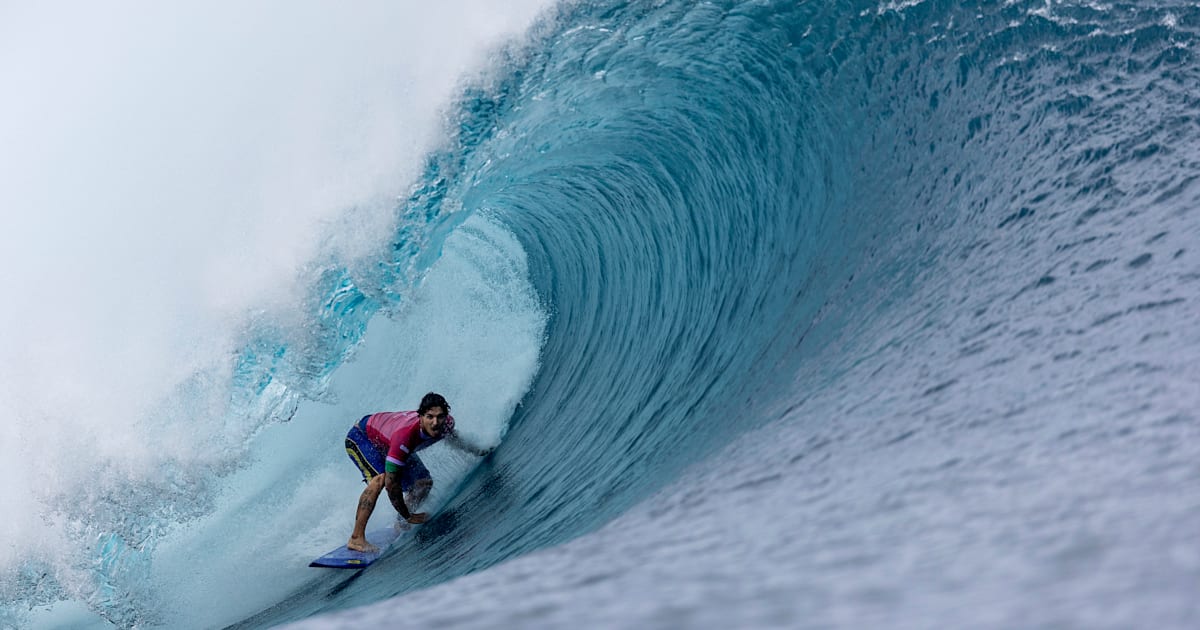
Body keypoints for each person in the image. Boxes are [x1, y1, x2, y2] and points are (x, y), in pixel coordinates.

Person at [343, 392, 490, 552]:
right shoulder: (405, 438)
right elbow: (392, 486)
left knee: (423, 483)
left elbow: (455, 439)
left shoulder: (446, 424)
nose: (435, 423)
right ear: (421, 417)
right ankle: (356, 539)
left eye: (440, 417)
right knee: (380, 479)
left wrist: (478, 451)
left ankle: (400, 524)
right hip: (362, 437)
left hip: (388, 440)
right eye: (430, 417)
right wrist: (408, 514)